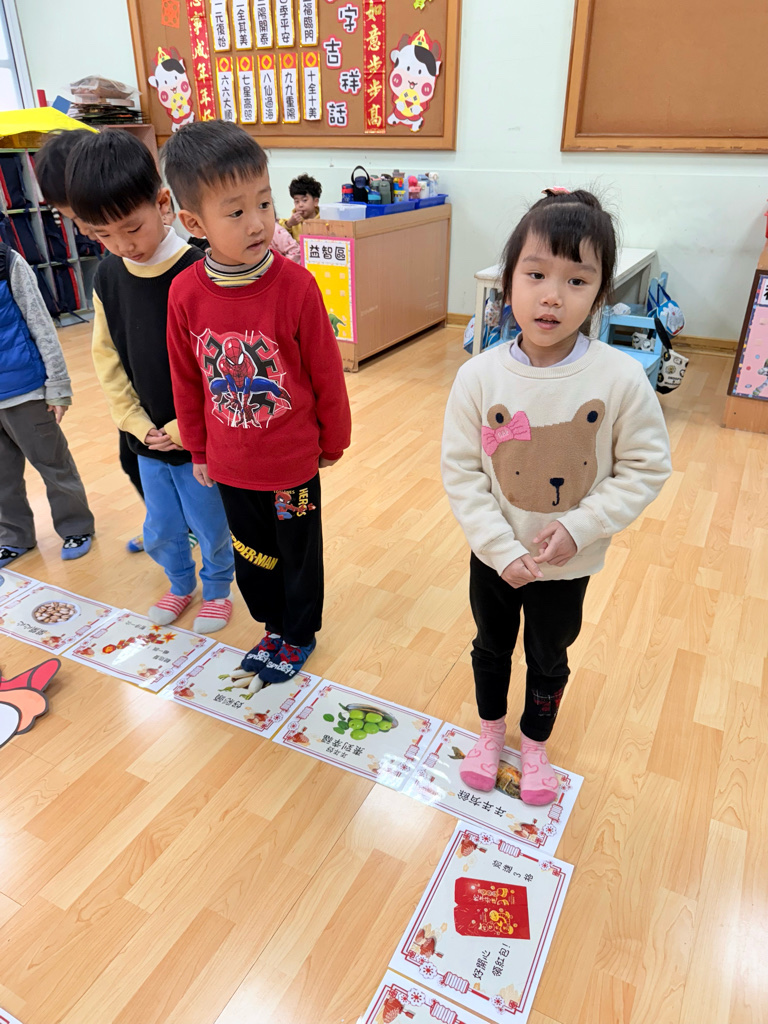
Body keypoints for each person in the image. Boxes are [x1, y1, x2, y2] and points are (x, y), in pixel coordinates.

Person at [441, 188, 671, 804]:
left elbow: (647, 466)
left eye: (576, 280)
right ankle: (491, 733)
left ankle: (535, 744)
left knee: (548, 656)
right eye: (536, 274)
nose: (552, 296)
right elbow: (462, 472)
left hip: (567, 564)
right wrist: (497, 547)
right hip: (494, 558)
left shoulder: (619, 378)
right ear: (507, 281)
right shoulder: (478, 376)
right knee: (491, 646)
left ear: (600, 294)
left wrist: (580, 526)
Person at [162, 120, 350, 682]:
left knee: (298, 549)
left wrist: (333, 440)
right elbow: (186, 380)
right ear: (195, 223)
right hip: (231, 466)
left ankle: (300, 633)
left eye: (264, 203)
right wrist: (198, 449)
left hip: (292, 466)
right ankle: (272, 625)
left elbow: (326, 372)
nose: (258, 222)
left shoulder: (297, 286)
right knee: (253, 552)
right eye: (237, 211)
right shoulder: (184, 293)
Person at [65, 130, 234, 633]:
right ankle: (180, 583)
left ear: (163, 204)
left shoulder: (201, 269)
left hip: (198, 440)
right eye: (103, 235)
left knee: (210, 523)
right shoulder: (108, 276)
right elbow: (107, 357)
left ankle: (218, 588)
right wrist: (134, 422)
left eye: (131, 228)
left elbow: (223, 366)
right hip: (146, 438)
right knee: (161, 525)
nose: (122, 245)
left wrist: (186, 428)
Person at [35, 128, 146, 554]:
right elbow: (106, 347)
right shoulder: (110, 266)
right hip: (134, 392)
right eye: (75, 219)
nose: (80, 228)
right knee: (134, 460)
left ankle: (184, 523)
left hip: (167, 396)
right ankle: (168, 522)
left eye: (80, 217)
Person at [0, 242, 94, 568]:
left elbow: (40, 322)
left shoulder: (8, 262)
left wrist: (57, 386)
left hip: (25, 390)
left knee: (53, 464)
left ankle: (76, 527)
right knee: (2, 476)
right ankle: (14, 537)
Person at [279, 173, 321, 242]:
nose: (300, 205)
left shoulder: (324, 221)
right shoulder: (293, 222)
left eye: (304, 200)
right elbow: (278, 235)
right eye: (297, 201)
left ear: (315, 202)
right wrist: (289, 224)